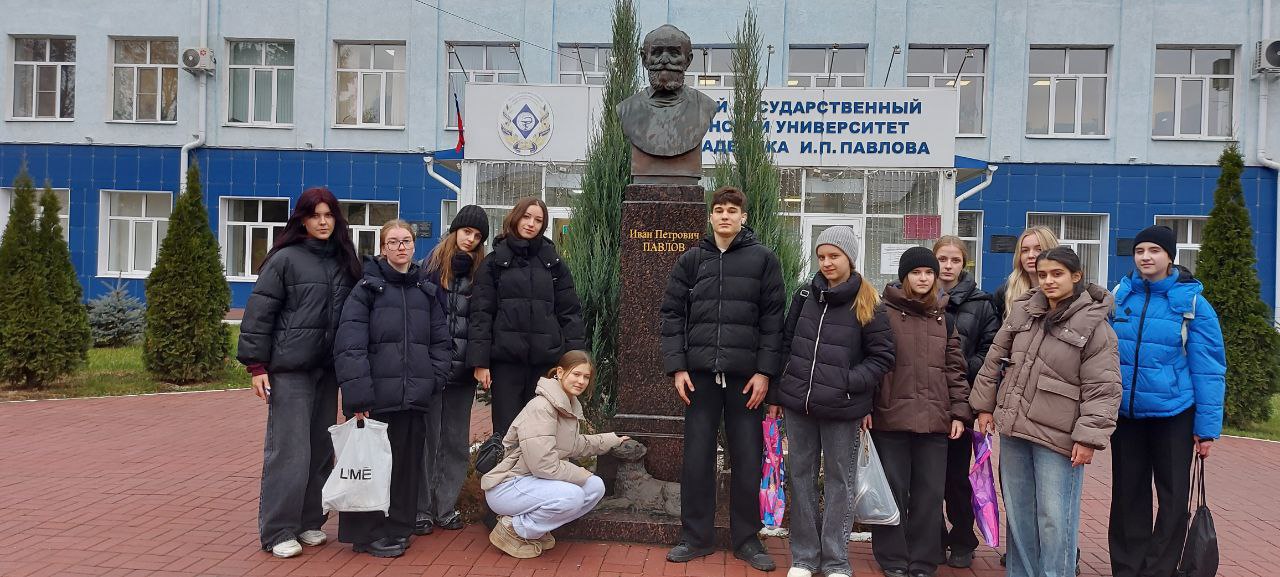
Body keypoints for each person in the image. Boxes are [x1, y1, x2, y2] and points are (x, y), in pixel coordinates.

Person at [971, 246, 1122, 577]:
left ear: (1076, 276)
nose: (1049, 281)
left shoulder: (1094, 325)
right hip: (1015, 429)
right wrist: (983, 407)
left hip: (1059, 437)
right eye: (1043, 275)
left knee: (1055, 518)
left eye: (1057, 274)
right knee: (1019, 514)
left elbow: (1103, 387)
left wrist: (1089, 438)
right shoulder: (1024, 311)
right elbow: (994, 358)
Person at [660, 186, 785, 572]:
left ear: (743, 217)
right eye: (719, 210)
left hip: (746, 380)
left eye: (732, 210)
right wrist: (677, 367)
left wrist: (765, 373)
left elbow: (773, 321)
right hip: (698, 377)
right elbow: (671, 314)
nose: (725, 216)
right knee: (697, 459)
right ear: (711, 216)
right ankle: (696, 537)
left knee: (747, 458)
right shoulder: (691, 260)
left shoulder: (764, 260)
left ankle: (746, 539)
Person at [237, 187, 362, 558]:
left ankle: (310, 520)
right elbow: (260, 312)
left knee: (321, 449)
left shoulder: (345, 260)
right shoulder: (285, 259)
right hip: (290, 370)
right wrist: (256, 366)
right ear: (302, 220)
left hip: (328, 369)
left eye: (328, 215)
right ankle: (278, 530)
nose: (322, 222)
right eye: (315, 215)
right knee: (289, 451)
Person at [768, 227, 895, 577]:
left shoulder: (868, 301)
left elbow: (882, 357)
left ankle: (837, 561)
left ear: (849, 258)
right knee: (801, 478)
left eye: (834, 256)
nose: (826, 262)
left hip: (842, 409)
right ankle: (805, 558)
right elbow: (786, 344)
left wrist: (847, 383)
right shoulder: (805, 295)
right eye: (822, 256)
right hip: (800, 406)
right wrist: (779, 392)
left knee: (841, 482)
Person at [1107, 225, 1227, 577]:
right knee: (1127, 494)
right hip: (1127, 414)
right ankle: (1128, 566)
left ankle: (1159, 568)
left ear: (1170, 256)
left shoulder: (1193, 304)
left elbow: (1209, 369)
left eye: (1154, 250)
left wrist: (1206, 429)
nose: (1146, 257)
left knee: (1173, 496)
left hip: (1174, 414)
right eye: (1140, 250)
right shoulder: (1120, 296)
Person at [332, 219, 451, 557]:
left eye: (407, 241)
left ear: (414, 246)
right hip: (376, 399)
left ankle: (398, 527)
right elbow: (350, 346)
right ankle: (367, 535)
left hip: (414, 398)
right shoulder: (366, 290)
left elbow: (441, 342)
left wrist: (433, 380)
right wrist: (358, 396)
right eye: (394, 241)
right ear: (383, 248)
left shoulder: (425, 292)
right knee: (372, 468)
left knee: (405, 468)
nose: (401, 247)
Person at [871, 246, 970, 577]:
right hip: (890, 418)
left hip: (935, 421)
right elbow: (872, 363)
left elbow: (955, 370)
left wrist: (959, 413)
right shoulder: (882, 315)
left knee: (929, 495)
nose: (923, 278)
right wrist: (866, 408)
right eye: (916, 272)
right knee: (893, 491)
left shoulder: (945, 319)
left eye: (929, 272)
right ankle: (893, 559)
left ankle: (923, 561)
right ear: (904, 277)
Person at [481, 350, 626, 558]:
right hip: (508, 486)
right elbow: (543, 464)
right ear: (560, 372)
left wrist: (613, 440)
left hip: (532, 482)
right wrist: (581, 473)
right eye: (576, 374)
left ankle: (533, 530)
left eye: (586, 377)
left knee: (595, 487)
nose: (581, 381)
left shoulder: (566, 405)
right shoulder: (542, 407)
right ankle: (513, 528)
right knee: (573, 495)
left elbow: (575, 444)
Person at [469, 197, 584, 436]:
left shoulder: (554, 264)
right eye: (526, 217)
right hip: (506, 363)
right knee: (507, 432)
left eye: (538, 220)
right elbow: (481, 314)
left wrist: (575, 361)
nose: (531, 224)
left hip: (545, 363)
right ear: (515, 217)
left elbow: (570, 313)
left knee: (541, 432)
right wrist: (481, 362)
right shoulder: (494, 263)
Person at [416, 205, 489, 536]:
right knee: (426, 441)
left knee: (455, 443)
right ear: (455, 230)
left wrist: (479, 362)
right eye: (466, 231)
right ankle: (420, 509)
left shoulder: (481, 273)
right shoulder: (429, 268)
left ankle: (444, 508)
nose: (470, 239)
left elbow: (482, 322)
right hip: (430, 371)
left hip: (461, 375)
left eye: (477, 236)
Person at [932, 236, 999, 569]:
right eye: (942, 259)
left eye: (955, 260)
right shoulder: (920, 296)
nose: (947, 266)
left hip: (962, 402)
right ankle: (933, 538)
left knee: (957, 478)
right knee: (928, 477)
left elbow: (991, 351)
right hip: (926, 400)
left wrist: (957, 365)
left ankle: (962, 539)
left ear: (964, 263)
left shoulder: (982, 303)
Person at [994, 226, 1060, 319]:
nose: (1031, 255)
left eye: (1039, 249)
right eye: (1025, 250)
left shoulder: (1068, 292)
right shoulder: (1005, 293)